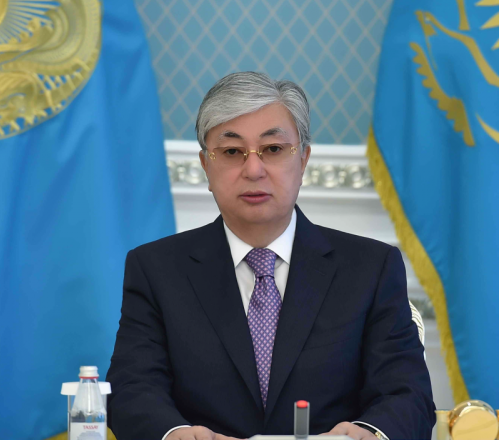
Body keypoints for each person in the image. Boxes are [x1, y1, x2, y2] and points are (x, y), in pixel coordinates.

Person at [106, 72, 435, 440]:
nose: (253, 170)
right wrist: (174, 433)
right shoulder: (156, 270)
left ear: (303, 159)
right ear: (206, 165)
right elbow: (132, 388)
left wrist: (368, 433)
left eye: (273, 149)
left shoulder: (370, 268)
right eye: (232, 152)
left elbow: (407, 394)